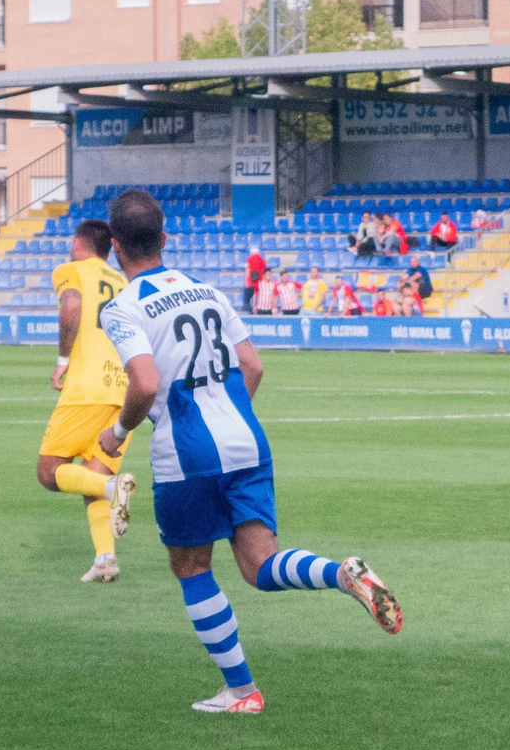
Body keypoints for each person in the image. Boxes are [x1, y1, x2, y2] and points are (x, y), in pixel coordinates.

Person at [95, 189, 402, 715]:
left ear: (115, 247)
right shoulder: (208, 291)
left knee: (192, 566)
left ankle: (242, 691)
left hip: (186, 453)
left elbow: (144, 384)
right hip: (246, 440)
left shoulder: (123, 307)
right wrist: (228, 414)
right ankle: (339, 573)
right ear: (165, 238)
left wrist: (119, 432)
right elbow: (253, 367)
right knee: (261, 565)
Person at [35, 219, 135, 583]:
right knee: (89, 479)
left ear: (79, 243)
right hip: (123, 393)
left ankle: (113, 487)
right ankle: (105, 559)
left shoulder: (71, 270)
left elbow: (71, 308)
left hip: (86, 389)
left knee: (49, 473)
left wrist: (63, 360)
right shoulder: (124, 282)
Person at [243, 246, 266, 311]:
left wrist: (246, 281)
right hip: (259, 283)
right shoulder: (262, 261)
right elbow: (264, 272)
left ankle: (250, 311)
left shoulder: (249, 260)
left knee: (247, 300)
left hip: (250, 283)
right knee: (257, 299)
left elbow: (247, 271)